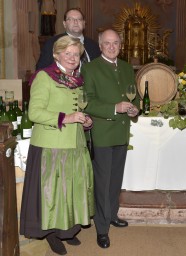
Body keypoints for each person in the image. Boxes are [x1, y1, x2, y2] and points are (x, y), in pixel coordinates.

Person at [20, 36, 94, 255]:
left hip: (75, 144)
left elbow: (78, 109)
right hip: (51, 145)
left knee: (71, 190)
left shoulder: (77, 80)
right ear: (56, 54)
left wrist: (86, 120)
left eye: (76, 54)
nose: (72, 58)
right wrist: (67, 118)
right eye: (67, 53)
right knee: (53, 194)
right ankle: (52, 234)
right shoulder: (44, 77)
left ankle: (67, 230)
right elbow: (34, 113)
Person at [81, 28, 140, 249]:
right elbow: (88, 102)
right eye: (107, 43)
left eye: (116, 43)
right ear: (100, 45)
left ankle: (112, 215)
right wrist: (114, 108)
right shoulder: (90, 68)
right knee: (102, 184)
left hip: (121, 133)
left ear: (121, 45)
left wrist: (135, 110)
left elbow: (136, 96)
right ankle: (102, 228)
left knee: (115, 181)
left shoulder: (126, 67)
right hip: (102, 135)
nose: (112, 46)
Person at [36, 7, 101, 70]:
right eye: (70, 19)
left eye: (79, 19)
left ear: (84, 23)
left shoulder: (94, 45)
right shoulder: (52, 43)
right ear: (64, 24)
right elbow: (41, 70)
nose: (76, 22)